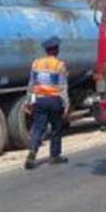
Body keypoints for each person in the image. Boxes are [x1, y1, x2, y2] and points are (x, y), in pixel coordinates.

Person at [24, 35, 69, 170]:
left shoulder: (36, 63)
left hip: (40, 100)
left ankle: (32, 151)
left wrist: (28, 102)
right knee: (56, 128)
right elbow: (62, 87)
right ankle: (55, 156)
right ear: (57, 50)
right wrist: (66, 104)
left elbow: (31, 84)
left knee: (38, 127)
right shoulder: (59, 65)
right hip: (54, 100)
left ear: (46, 50)